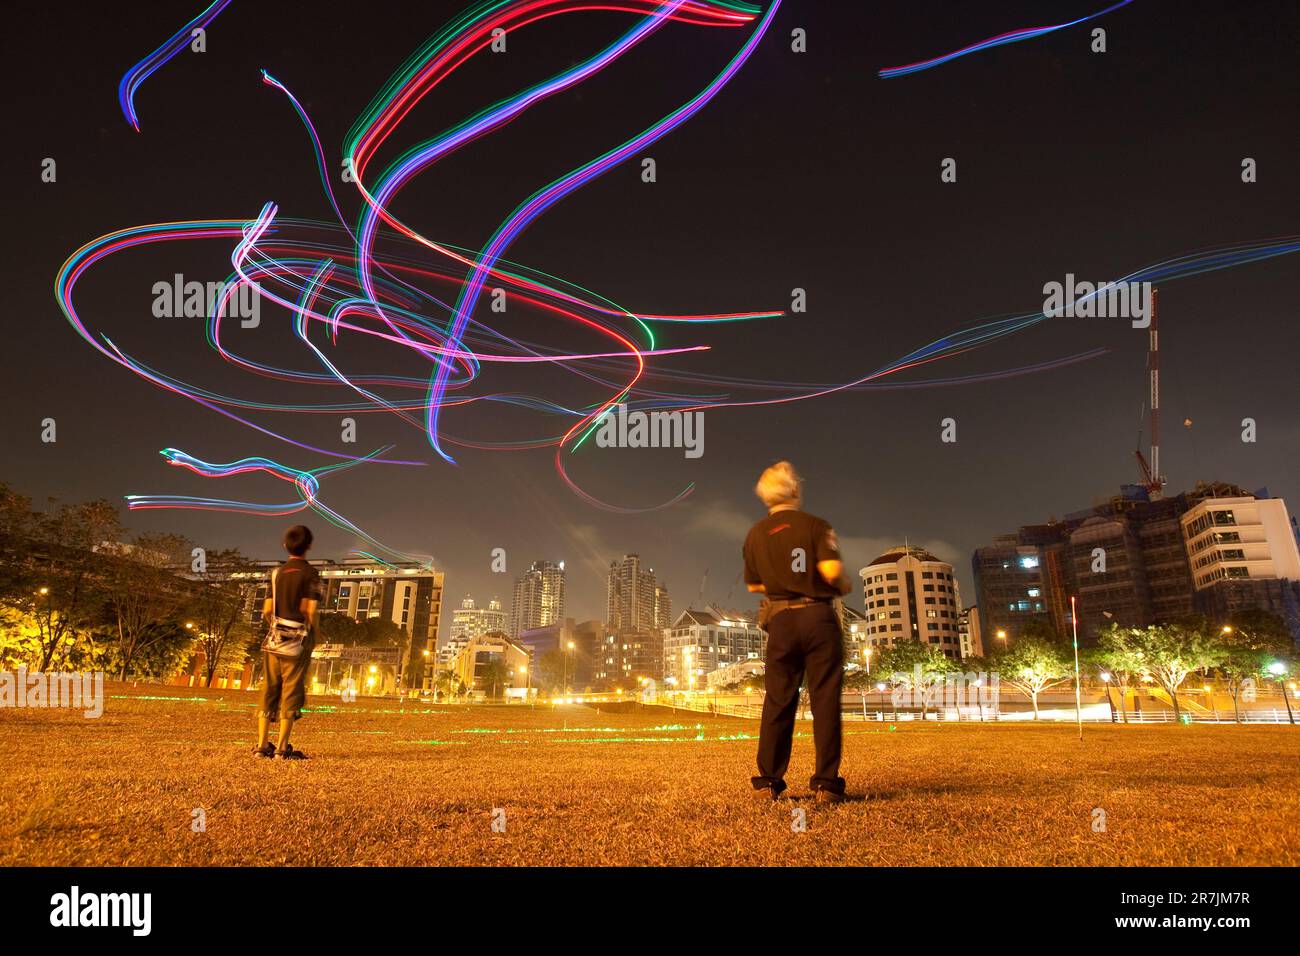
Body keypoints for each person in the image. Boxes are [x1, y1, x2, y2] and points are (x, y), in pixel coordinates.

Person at [743, 461, 852, 802]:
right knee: (824, 699)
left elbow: (753, 585)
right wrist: (842, 584)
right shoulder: (816, 525)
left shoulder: (755, 534)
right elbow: (831, 571)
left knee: (778, 699)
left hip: (781, 620)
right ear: (794, 489)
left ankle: (768, 781)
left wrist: (781, 582)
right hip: (817, 615)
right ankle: (826, 784)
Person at [253, 525, 322, 760]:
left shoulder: (276, 574)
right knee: (291, 691)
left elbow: (267, 610)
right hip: (298, 641)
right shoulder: (310, 573)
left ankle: (262, 745)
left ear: (285, 545)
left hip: (274, 639)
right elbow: (309, 610)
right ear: (309, 546)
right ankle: (282, 749)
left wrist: (277, 626)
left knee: (270, 688)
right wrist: (314, 633)